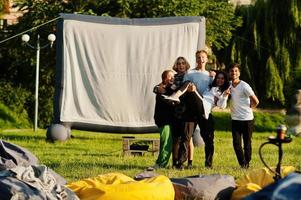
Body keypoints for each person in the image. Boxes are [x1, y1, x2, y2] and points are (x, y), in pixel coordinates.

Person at [166, 69, 230, 169]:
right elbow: (210, 81)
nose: (220, 80)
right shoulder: (211, 87)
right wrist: (212, 75)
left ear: (225, 80)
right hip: (195, 109)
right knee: (186, 136)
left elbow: (222, 105)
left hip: (204, 111)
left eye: (222, 79)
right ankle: (180, 163)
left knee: (209, 140)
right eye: (218, 78)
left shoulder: (223, 91)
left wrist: (225, 96)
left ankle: (208, 164)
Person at [228, 63, 259, 169]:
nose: (234, 73)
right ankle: (243, 163)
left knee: (247, 143)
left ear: (239, 73)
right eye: (232, 71)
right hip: (235, 119)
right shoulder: (229, 85)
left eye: (236, 70)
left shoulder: (244, 86)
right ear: (229, 73)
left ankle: (247, 162)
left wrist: (251, 108)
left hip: (247, 119)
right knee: (236, 144)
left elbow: (256, 100)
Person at [151, 69, 176, 169]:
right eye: (170, 76)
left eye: (173, 76)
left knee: (166, 142)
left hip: (169, 120)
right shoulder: (160, 89)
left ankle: (161, 162)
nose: (172, 78)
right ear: (164, 78)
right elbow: (158, 90)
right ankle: (161, 164)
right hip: (163, 120)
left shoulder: (170, 88)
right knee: (166, 142)